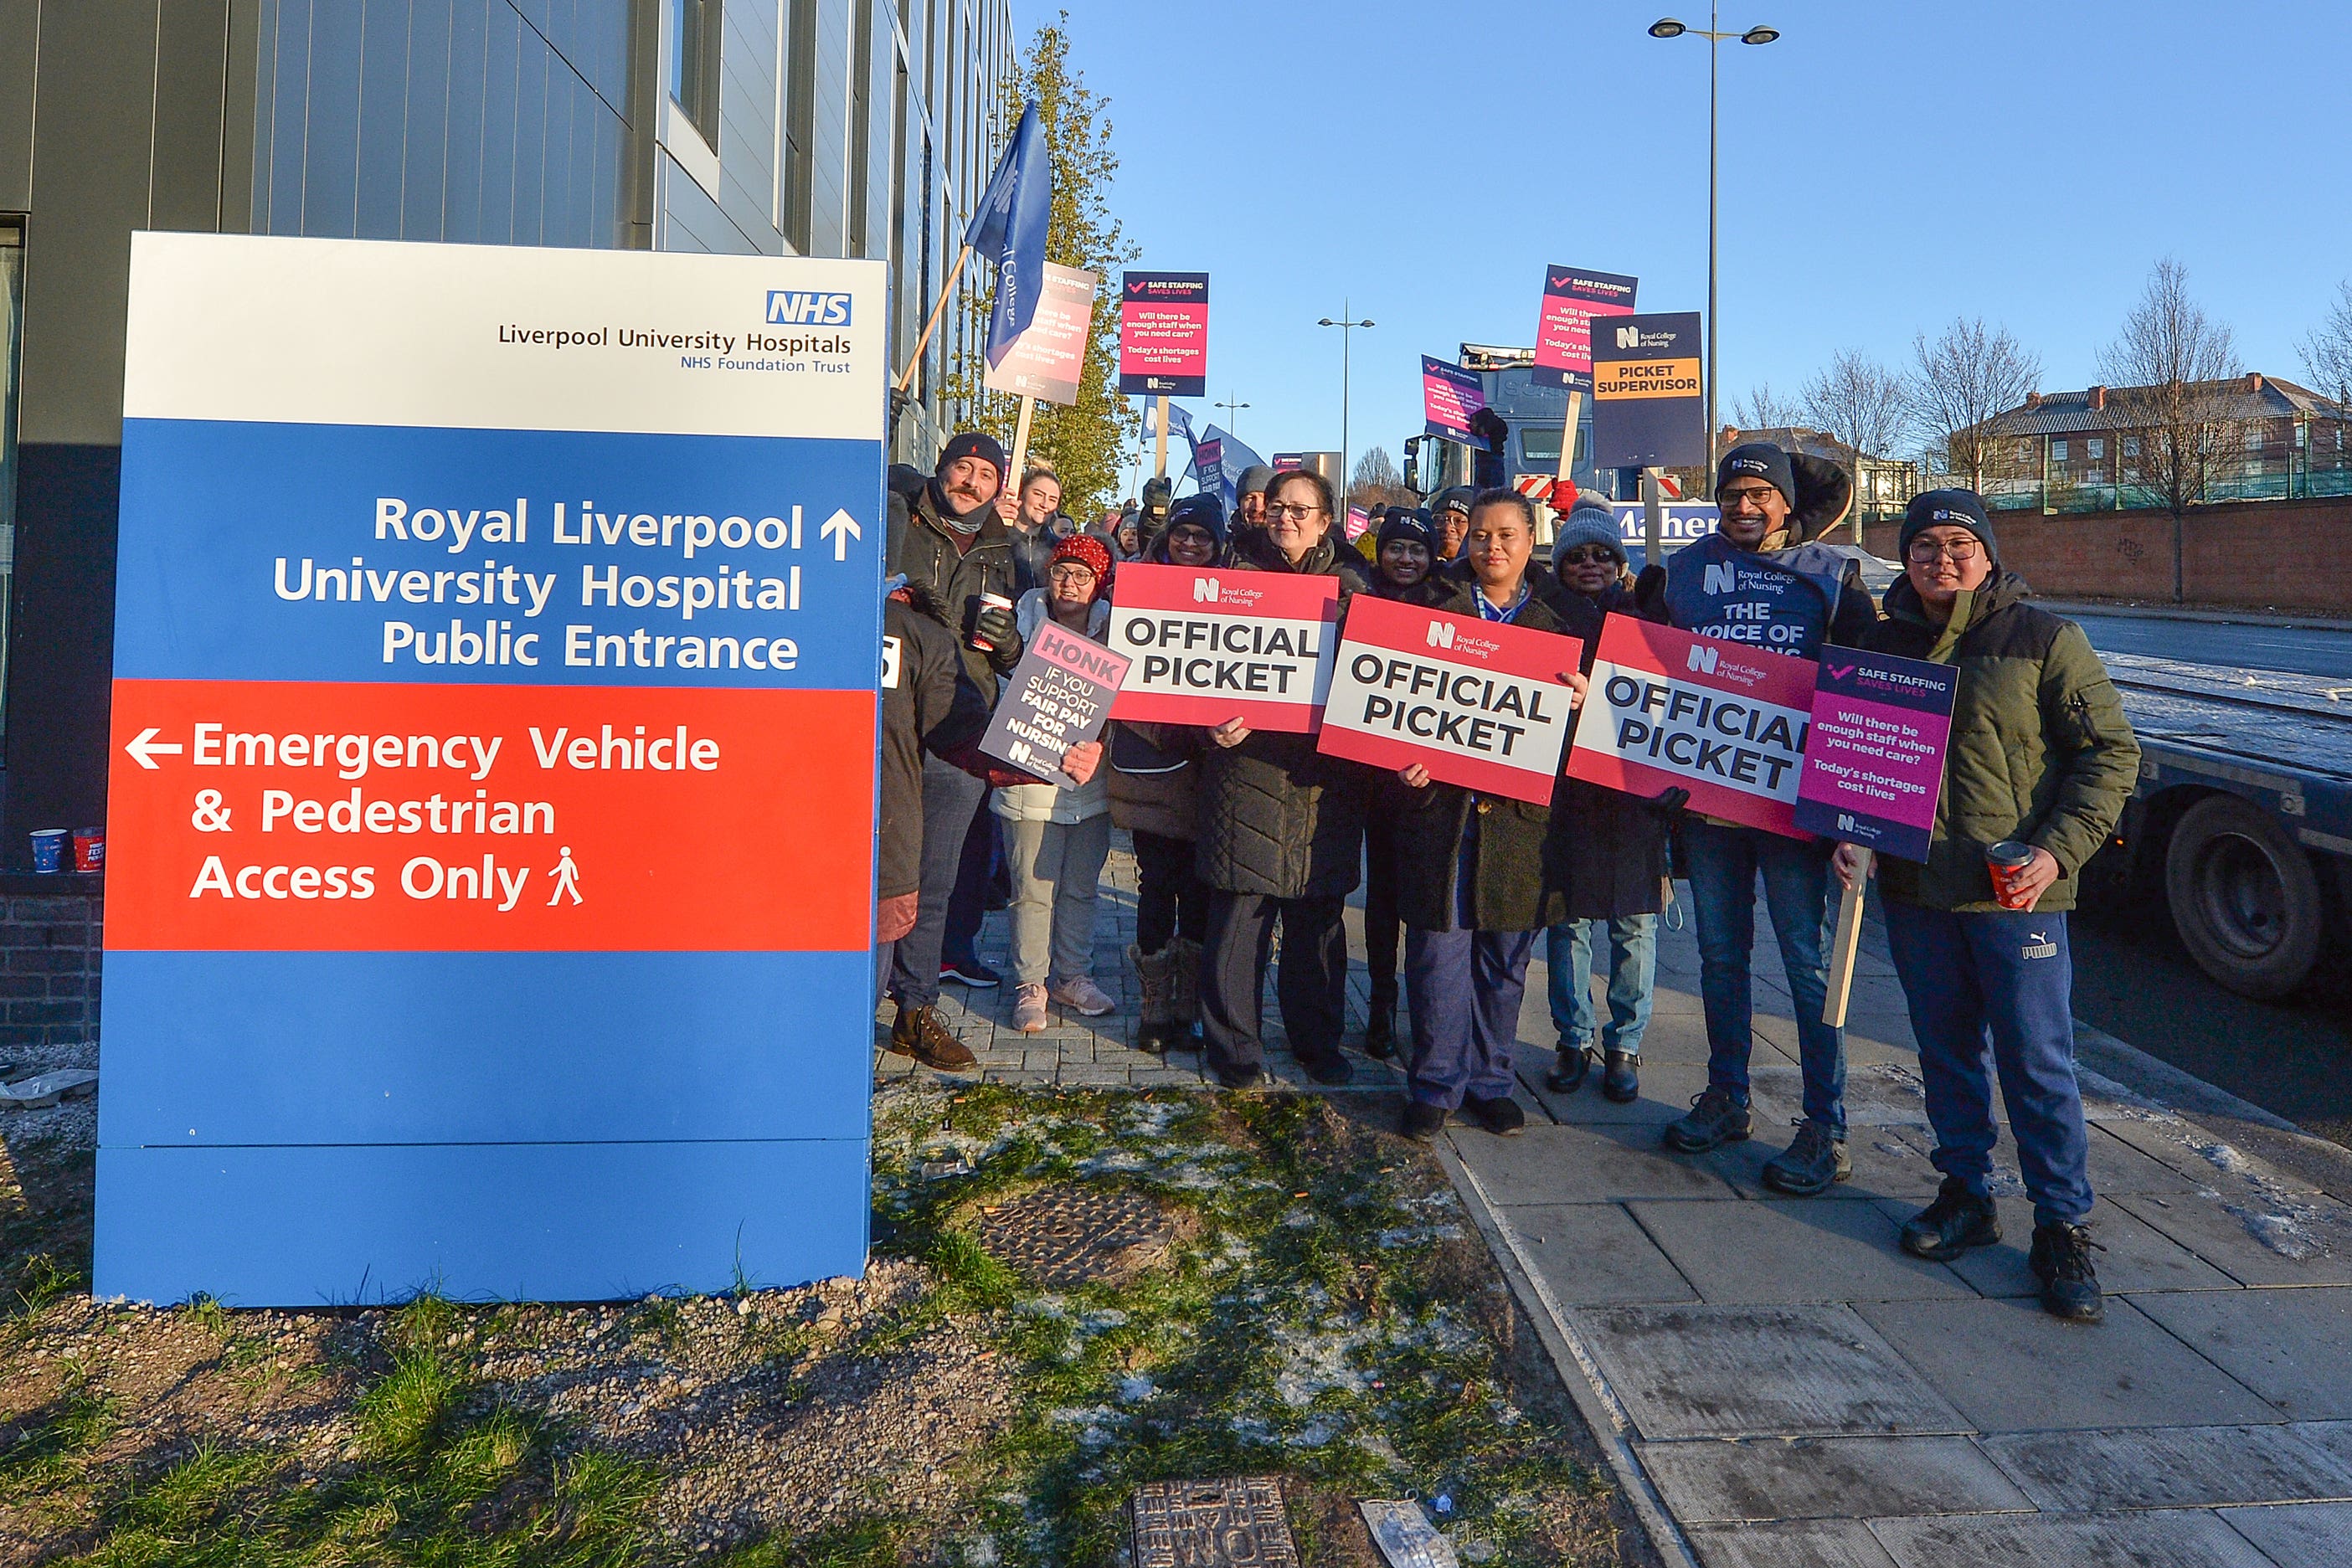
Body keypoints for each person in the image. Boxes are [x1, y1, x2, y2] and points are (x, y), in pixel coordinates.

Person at [1837, 489, 2138, 1323]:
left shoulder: (2041, 638)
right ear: (1903, 556)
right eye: (1924, 544)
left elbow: (2110, 755)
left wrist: (2053, 852)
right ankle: (1964, 1190)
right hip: (1916, 887)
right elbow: (1854, 752)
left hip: (2016, 893)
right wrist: (1846, 828)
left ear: (1988, 554)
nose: (1941, 558)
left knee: (2037, 1062)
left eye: (1958, 544)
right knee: (1944, 1052)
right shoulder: (1877, 639)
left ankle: (2061, 1222)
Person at [1644, 441, 1881, 1195]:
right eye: (1730, 495)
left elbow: (1869, 685)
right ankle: (1726, 1096)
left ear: (1784, 503)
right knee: (1719, 956)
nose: (1743, 507)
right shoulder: (1683, 571)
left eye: (1758, 495)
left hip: (1794, 803)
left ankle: (1825, 1125)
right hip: (1711, 803)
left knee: (1808, 968)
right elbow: (1647, 671)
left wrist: (1857, 811)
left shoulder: (1831, 575)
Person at [1391, 490, 1583, 1140]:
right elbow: (1390, 701)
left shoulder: (1565, 621)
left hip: (1521, 822)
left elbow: (1606, 730)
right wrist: (1401, 758)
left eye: (1504, 535)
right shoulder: (1425, 609)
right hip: (1440, 812)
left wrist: (1586, 705)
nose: (1491, 547)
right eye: (1478, 535)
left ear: (1530, 541)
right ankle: (1434, 1082)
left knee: (1504, 958)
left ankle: (1491, 1081)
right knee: (1436, 952)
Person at [1193, 467, 1373, 1088]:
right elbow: (1187, 672)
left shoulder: (1355, 589)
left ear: (1325, 521)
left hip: (1324, 783)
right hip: (1244, 772)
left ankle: (1316, 1040)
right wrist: (1207, 723)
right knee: (1240, 917)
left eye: (1300, 509)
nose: (1285, 517)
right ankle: (1233, 1043)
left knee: (1317, 918)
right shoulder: (1228, 577)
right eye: (1276, 507)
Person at [883, 434, 1024, 1064]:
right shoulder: (897, 513)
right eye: (961, 467)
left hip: (961, 722)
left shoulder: (1003, 549)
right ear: (939, 469)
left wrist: (1007, 642)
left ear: (999, 486)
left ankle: (916, 1009)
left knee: (934, 879)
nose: (970, 481)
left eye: (984, 474)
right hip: (887, 720)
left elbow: (1012, 653)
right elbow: (885, 472)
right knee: (878, 875)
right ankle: (851, 1003)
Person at [1540, 496, 1668, 1104]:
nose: (1589, 564)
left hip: (1629, 794)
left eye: (1602, 554)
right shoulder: (1541, 617)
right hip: (1562, 790)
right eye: (1577, 555)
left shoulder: (1649, 617)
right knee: (1566, 924)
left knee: (1633, 926)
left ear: (1619, 562)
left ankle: (1624, 1042)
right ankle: (1572, 1035)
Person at [1109, 494, 1223, 1051]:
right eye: (1183, 534)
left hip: (1209, 774)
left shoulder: (1235, 597)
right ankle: (1155, 1010)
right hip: (1150, 766)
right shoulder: (1136, 588)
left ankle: (1191, 1006)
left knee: (1199, 892)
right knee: (1155, 886)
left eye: (1203, 536)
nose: (1191, 544)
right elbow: (1116, 673)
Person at [996, 534, 1121, 1033]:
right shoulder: (1019, 625)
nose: (1069, 583)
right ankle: (1031, 983)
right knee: (1031, 888)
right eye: (1061, 572)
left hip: (1089, 780)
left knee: (1080, 888)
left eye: (1082, 575)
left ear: (1098, 583)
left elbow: (1127, 702)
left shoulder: (1118, 631)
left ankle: (1072, 975)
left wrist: (1103, 742)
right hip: (1029, 777)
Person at [1357, 507, 1438, 1057]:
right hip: (1373, 781)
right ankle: (1381, 1006)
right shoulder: (1359, 603)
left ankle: (1428, 1009)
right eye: (1395, 548)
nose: (1405, 559)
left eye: (1416, 549)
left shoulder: (1451, 606)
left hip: (1433, 788)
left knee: (1425, 904)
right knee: (1381, 902)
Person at [1006, 467, 1063, 594]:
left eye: (1052, 499)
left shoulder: (1059, 548)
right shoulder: (997, 537)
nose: (1044, 504)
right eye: (1038, 494)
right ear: (1021, 493)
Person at [1428, 486, 1474, 569]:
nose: (1447, 528)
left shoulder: (1484, 576)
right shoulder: (1418, 572)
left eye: (1459, 521)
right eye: (1440, 519)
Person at [1232, 465, 1275, 538]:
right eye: (1250, 498)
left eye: (1265, 498)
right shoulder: (1223, 547)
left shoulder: (1292, 546)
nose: (1257, 507)